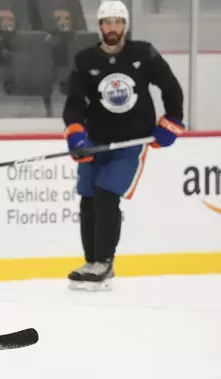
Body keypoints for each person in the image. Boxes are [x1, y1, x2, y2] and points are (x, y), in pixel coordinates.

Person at [62, 0, 184, 291]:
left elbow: (171, 87)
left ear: (125, 25)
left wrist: (172, 121)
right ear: (100, 26)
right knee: (89, 198)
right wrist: (75, 134)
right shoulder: (85, 59)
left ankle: (104, 262)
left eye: (118, 22)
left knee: (106, 194)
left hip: (131, 142)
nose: (113, 28)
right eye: (107, 22)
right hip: (95, 141)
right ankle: (92, 262)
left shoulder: (143, 53)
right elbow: (75, 102)